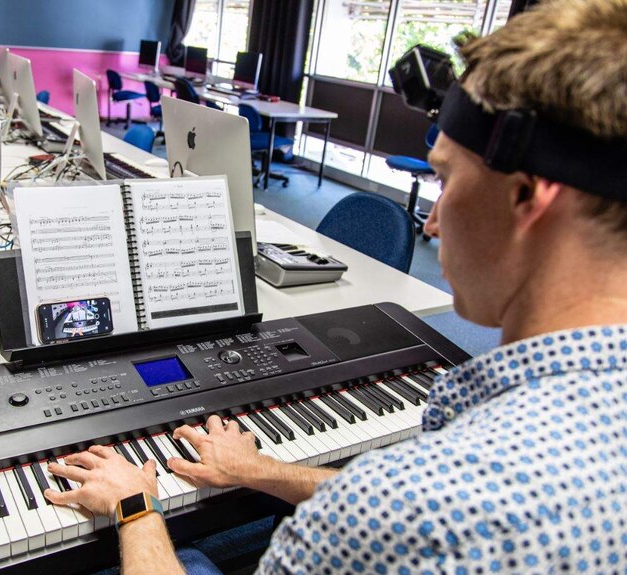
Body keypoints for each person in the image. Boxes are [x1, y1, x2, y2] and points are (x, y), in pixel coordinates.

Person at [42, 0, 627, 572]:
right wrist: (265, 471)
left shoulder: (410, 507)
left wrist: (136, 509)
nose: (432, 221)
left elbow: (397, 514)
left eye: (447, 180)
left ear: (528, 197)